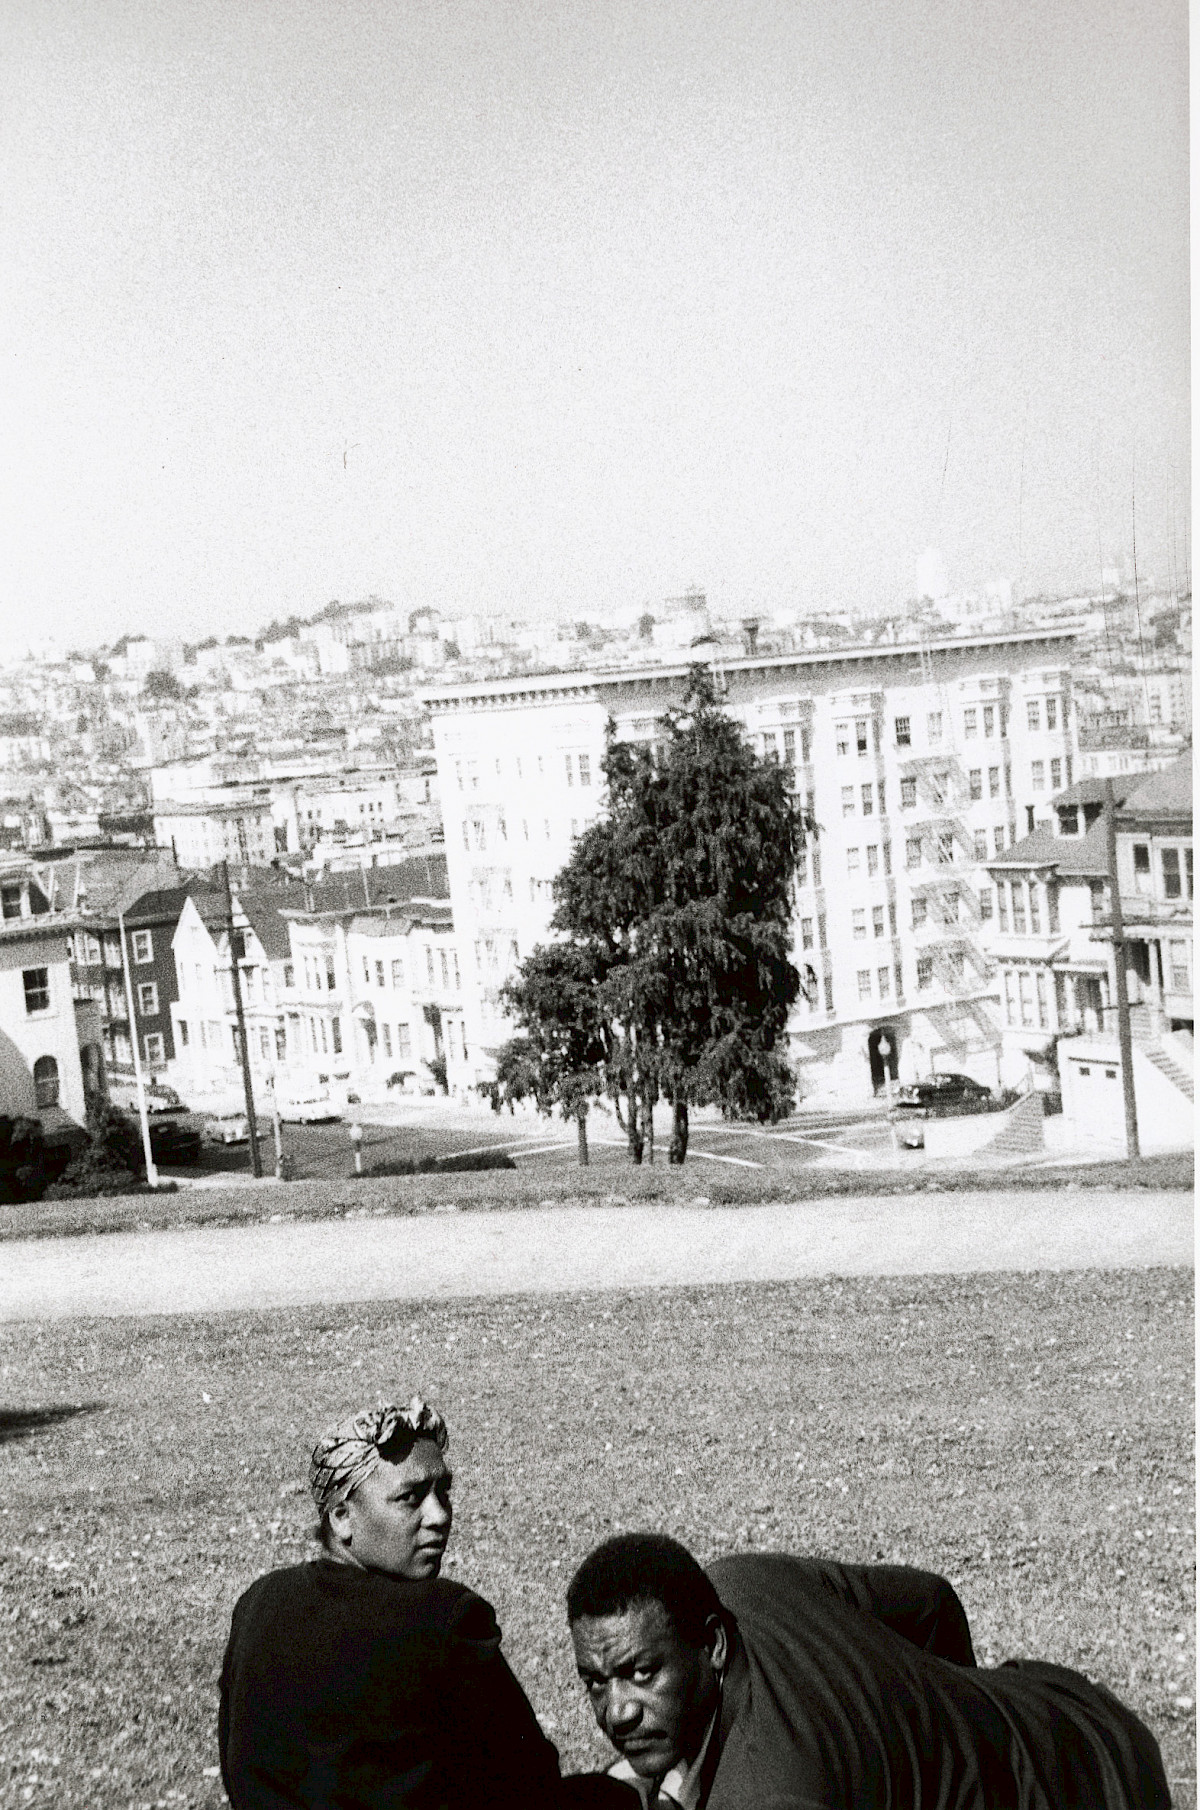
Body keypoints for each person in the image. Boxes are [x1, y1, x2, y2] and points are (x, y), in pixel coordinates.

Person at [566, 1532, 1171, 1809]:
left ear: (713, 1647)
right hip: (1061, 1708)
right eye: (595, 1681)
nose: (616, 1710)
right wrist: (946, 1732)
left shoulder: (771, 1791)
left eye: (643, 1674)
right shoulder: (739, 1581)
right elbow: (931, 1601)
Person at [220, 1397, 616, 1810]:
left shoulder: (259, 1603)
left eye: (442, 1490)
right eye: (410, 1497)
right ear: (341, 1518)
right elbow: (530, 1782)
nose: (439, 1515)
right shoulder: (441, 1617)